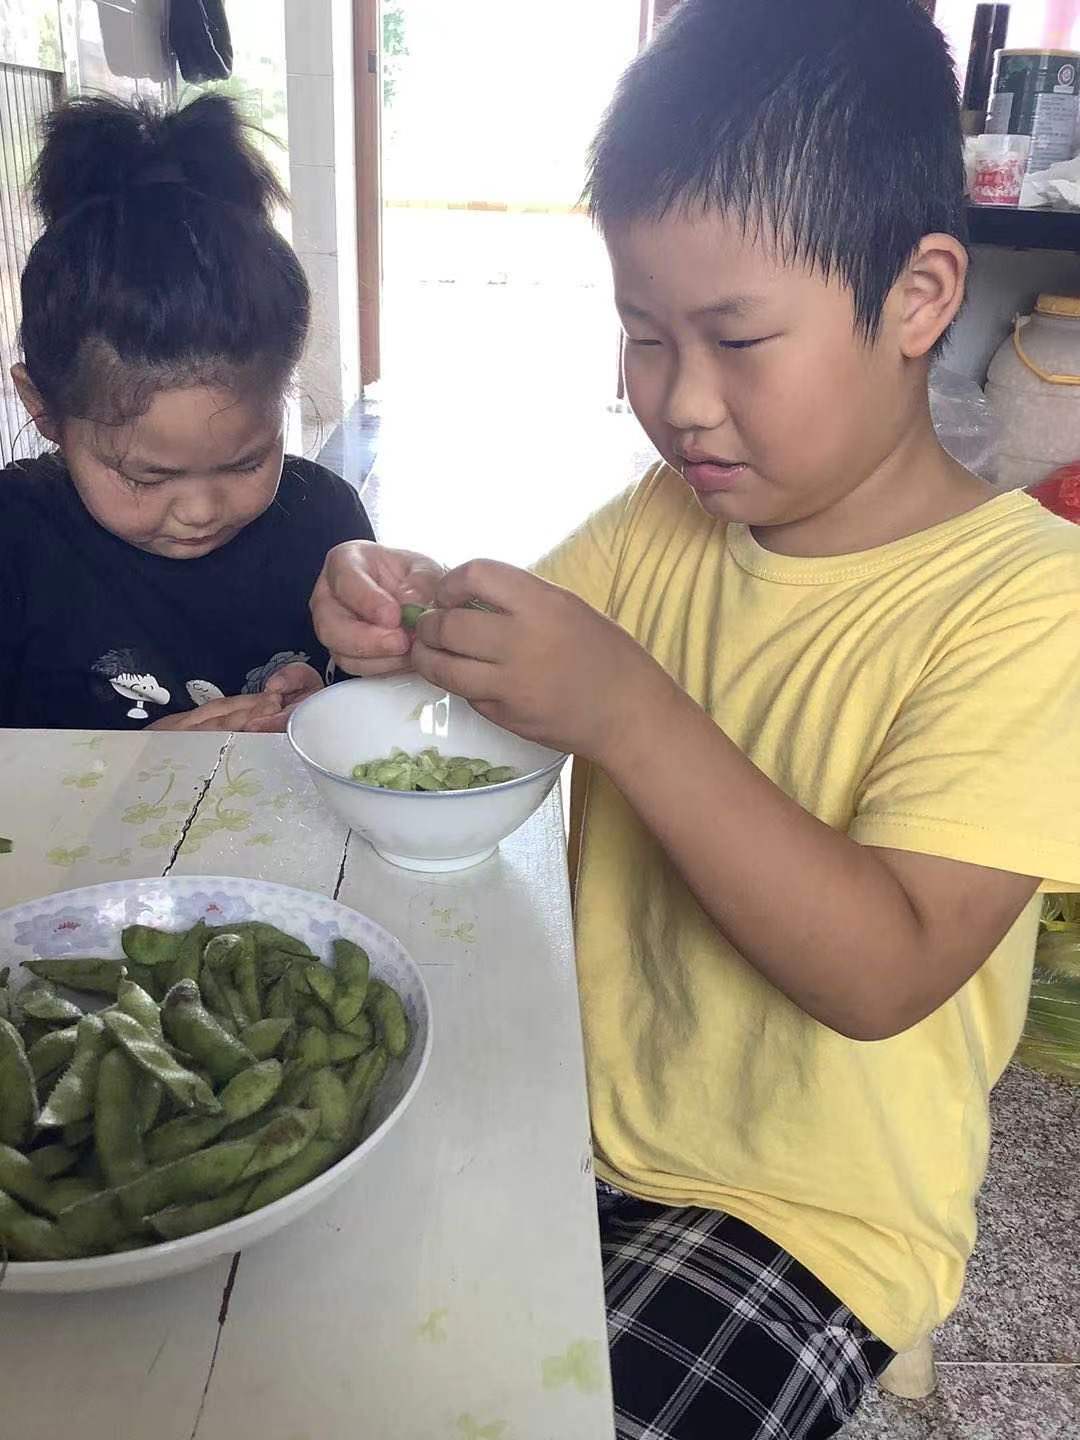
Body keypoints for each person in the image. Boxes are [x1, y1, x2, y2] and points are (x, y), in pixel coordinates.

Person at [310, 2, 1080, 1436]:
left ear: (919, 297)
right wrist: (398, 605)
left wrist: (629, 708)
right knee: (311, 1331)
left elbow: (886, 970)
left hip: (800, 1216)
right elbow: (513, 667)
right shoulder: (667, 518)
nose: (681, 402)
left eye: (737, 338)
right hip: (577, 1104)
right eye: (643, 335)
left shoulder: (1029, 606)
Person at [1, 93, 374, 731]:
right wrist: (133, 768)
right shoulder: (16, 542)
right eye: (146, 477)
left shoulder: (325, 520)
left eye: (246, 462)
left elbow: (379, 716)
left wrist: (329, 703)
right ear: (43, 409)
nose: (200, 511)